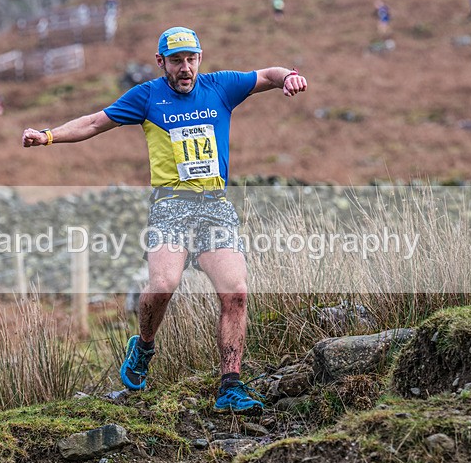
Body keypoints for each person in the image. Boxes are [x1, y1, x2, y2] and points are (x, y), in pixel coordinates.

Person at [22, 26, 307, 415]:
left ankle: (230, 387)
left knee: (236, 292)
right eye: (176, 61)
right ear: (161, 63)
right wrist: (48, 136)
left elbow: (268, 76)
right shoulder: (146, 97)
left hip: (214, 205)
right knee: (163, 284)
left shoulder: (222, 86)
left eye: (191, 59)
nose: (185, 68)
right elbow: (93, 123)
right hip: (171, 205)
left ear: (200, 58)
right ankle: (143, 346)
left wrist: (288, 76)